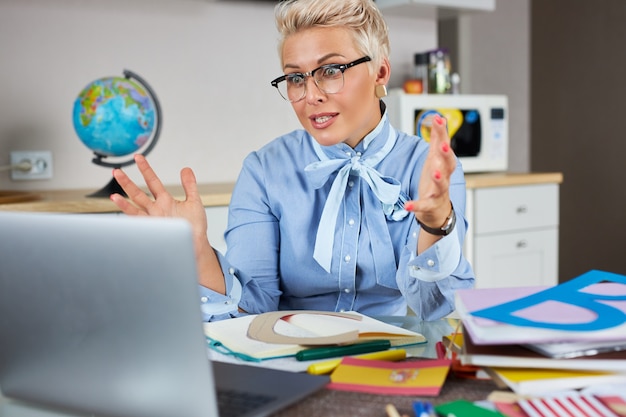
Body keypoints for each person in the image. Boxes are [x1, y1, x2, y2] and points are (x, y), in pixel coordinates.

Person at [110, 0, 474, 322]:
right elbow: (253, 311)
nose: (310, 95)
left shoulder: (429, 169)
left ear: (379, 71)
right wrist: (198, 255)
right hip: (287, 361)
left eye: (331, 71)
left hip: (389, 360)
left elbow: (434, 306)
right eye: (296, 78)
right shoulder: (264, 171)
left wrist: (435, 223)